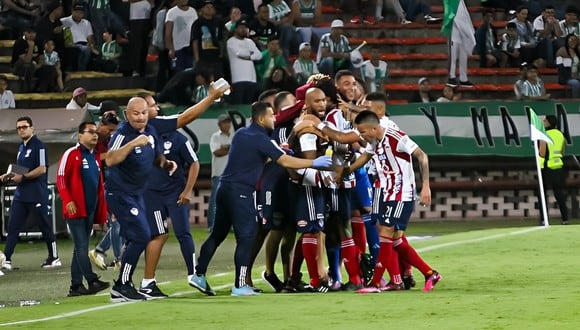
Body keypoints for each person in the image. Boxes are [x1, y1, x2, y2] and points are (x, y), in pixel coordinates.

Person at [189, 102, 332, 297]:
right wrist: (314, 162)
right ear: (262, 118)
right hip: (241, 192)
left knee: (217, 235)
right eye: (272, 115)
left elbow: (258, 157)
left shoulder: (241, 134)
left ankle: (199, 274)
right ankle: (240, 286)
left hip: (224, 189)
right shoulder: (260, 138)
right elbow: (285, 161)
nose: (274, 119)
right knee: (247, 237)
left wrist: (280, 151)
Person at [345, 110, 442, 292]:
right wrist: (347, 171)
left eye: (363, 132)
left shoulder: (396, 137)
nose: (361, 136)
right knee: (394, 238)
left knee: (387, 233)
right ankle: (423, 274)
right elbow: (366, 156)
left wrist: (426, 185)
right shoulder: (375, 140)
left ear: (374, 128)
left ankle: (375, 283)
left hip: (400, 192)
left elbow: (422, 156)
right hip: (384, 191)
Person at [106, 97, 177, 302]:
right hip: (119, 193)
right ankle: (121, 285)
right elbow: (110, 159)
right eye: (135, 113)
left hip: (137, 194)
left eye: (144, 113)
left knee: (138, 237)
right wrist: (134, 143)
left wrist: (165, 163)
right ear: (126, 114)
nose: (140, 117)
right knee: (141, 236)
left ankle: (124, 283)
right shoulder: (122, 134)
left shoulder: (151, 131)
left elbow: (155, 156)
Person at [56, 121, 110, 297]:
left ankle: (76, 286)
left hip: (90, 209)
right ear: (80, 135)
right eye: (90, 132)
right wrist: (67, 200)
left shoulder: (94, 156)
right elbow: (61, 178)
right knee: (81, 246)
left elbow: (97, 185)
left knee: (79, 247)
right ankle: (92, 281)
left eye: (96, 132)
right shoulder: (71, 154)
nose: (95, 135)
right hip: (75, 209)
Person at [0, 116, 61, 271]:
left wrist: (23, 177)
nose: (21, 130)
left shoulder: (39, 146)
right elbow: (22, 169)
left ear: (32, 128)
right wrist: (8, 174)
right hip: (21, 195)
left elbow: (42, 169)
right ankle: (6, 259)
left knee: (45, 226)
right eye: (19, 128)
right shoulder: (22, 147)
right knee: (13, 227)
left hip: (36, 193)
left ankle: (54, 257)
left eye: (24, 126)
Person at [538, 115, 568, 225]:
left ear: (549, 123)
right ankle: (565, 219)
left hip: (547, 168)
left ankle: (543, 219)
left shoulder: (544, 135)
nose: (543, 122)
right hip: (559, 168)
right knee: (560, 195)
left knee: (542, 194)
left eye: (545, 120)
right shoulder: (560, 134)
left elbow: (542, 153)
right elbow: (563, 151)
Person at [226, 19, 262, 104]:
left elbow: (259, 55)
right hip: (238, 80)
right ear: (235, 29)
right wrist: (251, 53)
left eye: (245, 28)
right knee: (239, 104)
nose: (243, 30)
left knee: (249, 105)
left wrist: (249, 57)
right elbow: (239, 53)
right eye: (241, 27)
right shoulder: (231, 41)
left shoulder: (250, 42)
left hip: (252, 80)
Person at [208, 114, 233, 231]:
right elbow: (217, 152)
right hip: (218, 173)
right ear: (219, 124)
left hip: (231, 174)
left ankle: (231, 226)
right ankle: (213, 226)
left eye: (228, 122)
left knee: (232, 201)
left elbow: (235, 151)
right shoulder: (215, 136)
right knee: (215, 202)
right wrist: (230, 148)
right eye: (224, 122)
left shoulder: (234, 136)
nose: (227, 124)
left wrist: (226, 148)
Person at [444, 0, 475, 87]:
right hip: (453, 30)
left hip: (463, 31)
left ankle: (463, 78)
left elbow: (465, 17)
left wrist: (469, 30)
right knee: (453, 55)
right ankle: (451, 77)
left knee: (463, 55)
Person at [191, 0, 225, 80]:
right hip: (203, 57)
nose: (209, 9)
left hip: (216, 57)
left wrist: (221, 53)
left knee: (218, 80)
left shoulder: (219, 22)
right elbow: (195, 41)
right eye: (207, 7)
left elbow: (221, 39)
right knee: (203, 80)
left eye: (211, 7)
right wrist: (197, 58)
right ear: (202, 9)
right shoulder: (197, 23)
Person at [60, 4, 98, 71]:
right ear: (72, 11)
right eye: (77, 12)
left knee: (89, 50)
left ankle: (81, 70)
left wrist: (91, 45)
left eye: (81, 13)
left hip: (84, 44)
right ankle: (81, 70)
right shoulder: (64, 21)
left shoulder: (86, 23)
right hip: (72, 44)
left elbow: (90, 37)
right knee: (85, 49)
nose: (79, 15)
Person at [165, 0, 198, 73]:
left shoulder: (193, 11)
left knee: (192, 72)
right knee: (180, 73)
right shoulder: (171, 12)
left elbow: (196, 29)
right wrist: (171, 48)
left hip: (191, 47)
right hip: (178, 48)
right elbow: (168, 33)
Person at [555, 34, 580, 98]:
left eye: (575, 40)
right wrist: (571, 77)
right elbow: (559, 66)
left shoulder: (578, 51)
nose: (573, 41)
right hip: (566, 77)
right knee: (575, 83)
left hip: (577, 76)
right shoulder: (561, 51)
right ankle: (576, 101)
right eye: (571, 39)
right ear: (567, 41)